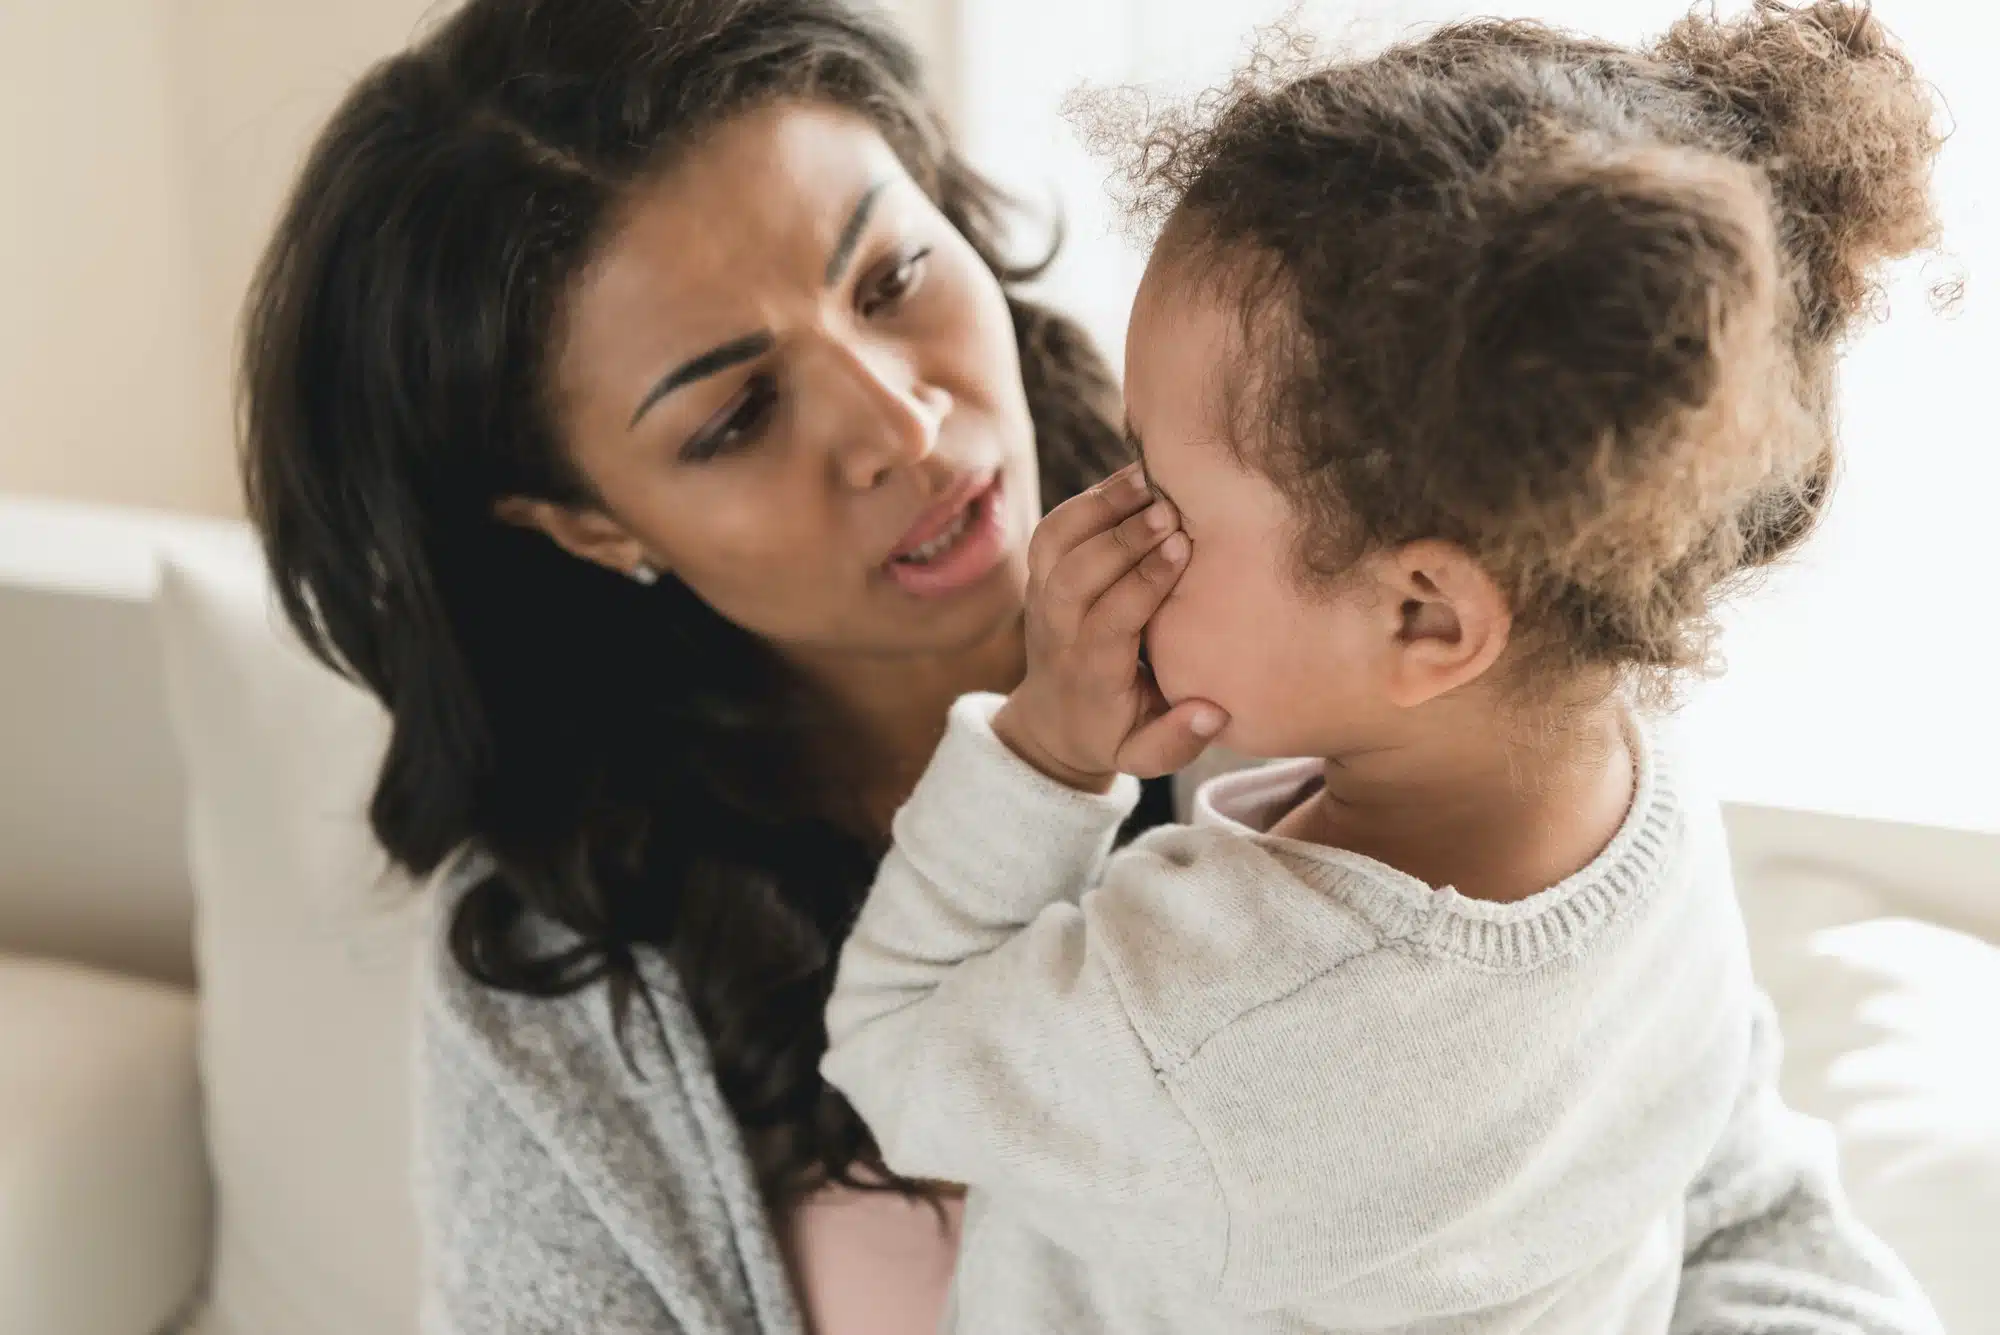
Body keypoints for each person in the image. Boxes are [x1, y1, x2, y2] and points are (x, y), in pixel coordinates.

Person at [237, 1, 1942, 1332]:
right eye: (739, 410)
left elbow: (1719, 1200)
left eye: (895, 272)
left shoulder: (1366, 557)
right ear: (587, 524)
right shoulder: (565, 993)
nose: (901, 421)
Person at [818, 4, 1945, 1331]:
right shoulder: (1635, 774)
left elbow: (893, 1043)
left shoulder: (1204, 1022)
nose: (1112, 513)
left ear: (1425, 621)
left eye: (1165, 493)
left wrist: (1047, 751)